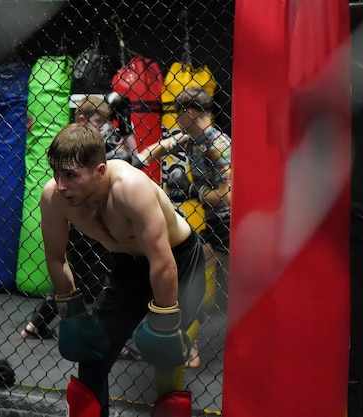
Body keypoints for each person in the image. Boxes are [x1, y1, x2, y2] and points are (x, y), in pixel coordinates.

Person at [41, 123, 206, 417]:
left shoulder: (131, 189)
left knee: (167, 363)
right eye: (56, 173)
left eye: (70, 175)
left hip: (178, 265)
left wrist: (165, 322)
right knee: (92, 356)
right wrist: (72, 311)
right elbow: (56, 258)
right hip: (126, 269)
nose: (61, 184)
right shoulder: (55, 197)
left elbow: (162, 260)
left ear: (100, 171)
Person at [20, 96, 140, 364]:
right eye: (99, 122)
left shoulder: (95, 146)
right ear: (83, 120)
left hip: (91, 221)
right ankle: (109, 339)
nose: (104, 128)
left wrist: (125, 127)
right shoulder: (74, 150)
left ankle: (36, 324)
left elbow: (136, 158)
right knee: (96, 279)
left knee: (83, 277)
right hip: (80, 221)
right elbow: (134, 159)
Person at [134, 87, 232, 368]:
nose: (175, 118)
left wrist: (193, 190)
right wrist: (136, 161)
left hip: (231, 223)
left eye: (177, 112)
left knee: (189, 277)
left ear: (190, 113)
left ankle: (188, 346)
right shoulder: (192, 139)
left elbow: (229, 194)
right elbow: (163, 147)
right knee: (191, 276)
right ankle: (188, 345)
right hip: (217, 225)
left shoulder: (218, 145)